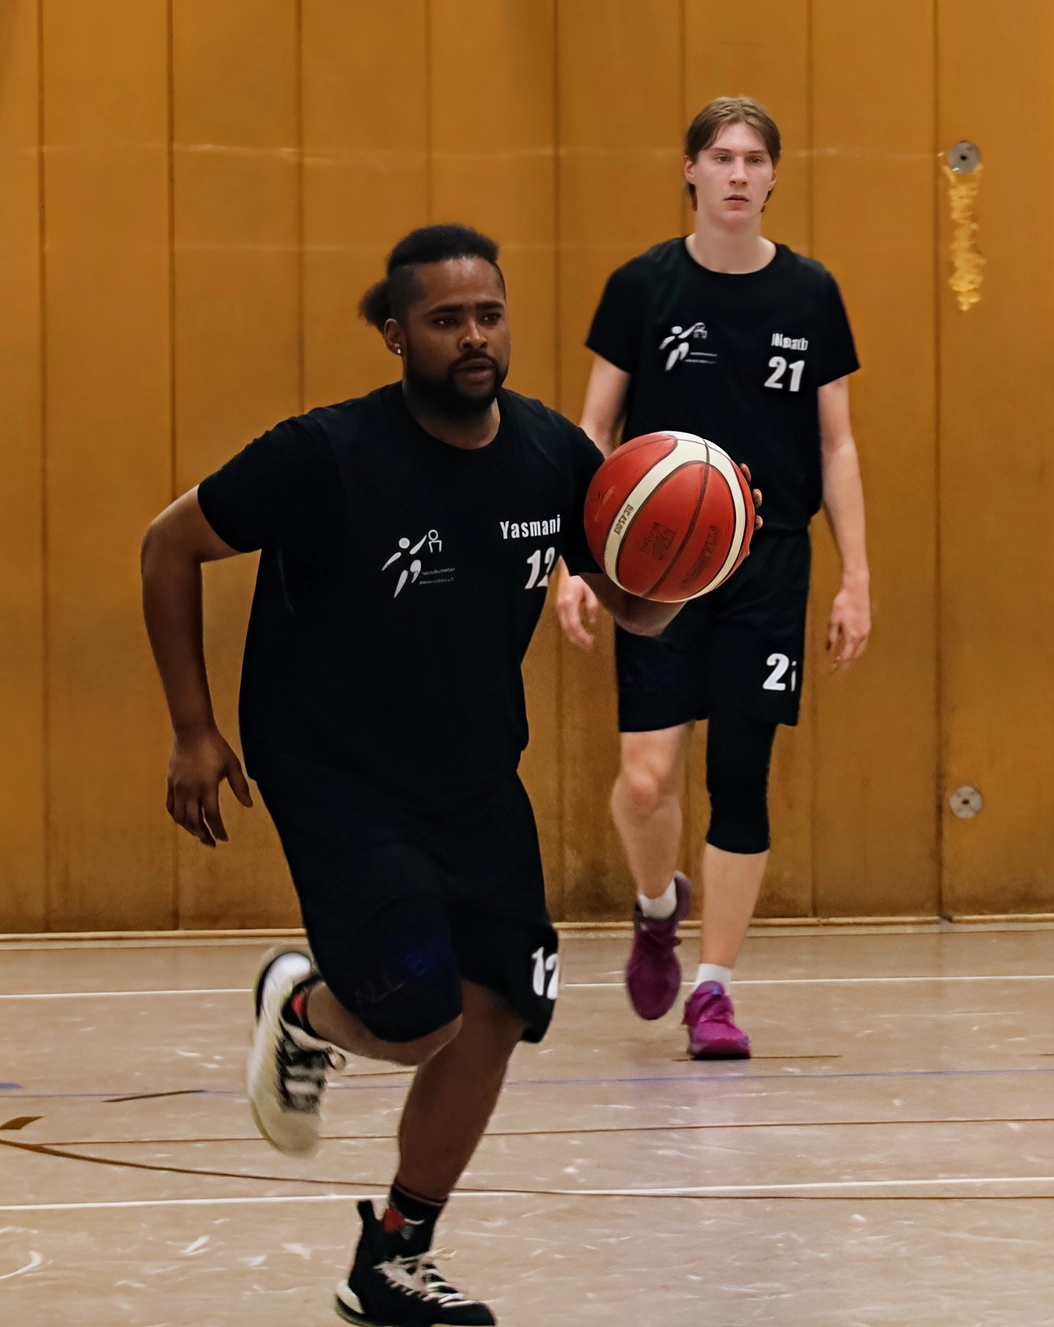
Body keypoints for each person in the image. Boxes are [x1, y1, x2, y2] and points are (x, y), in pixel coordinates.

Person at [140, 225, 697, 1326]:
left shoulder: (552, 455)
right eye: (446, 320)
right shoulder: (324, 457)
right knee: (416, 1014)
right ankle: (305, 1004)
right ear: (397, 335)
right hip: (335, 771)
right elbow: (168, 546)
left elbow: (635, 604)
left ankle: (393, 1253)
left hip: (477, 773)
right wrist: (193, 730)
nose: (475, 335)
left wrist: (699, 554)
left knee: (497, 1009)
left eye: (489, 312)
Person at [552, 96, 871, 1059]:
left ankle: (715, 990)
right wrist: (573, 560)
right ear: (689, 171)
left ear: (775, 177)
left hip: (768, 557)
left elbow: (838, 442)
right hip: (656, 567)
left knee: (741, 774)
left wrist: (856, 574)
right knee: (645, 782)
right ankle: (657, 907)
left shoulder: (812, 294)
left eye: (754, 159)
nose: (738, 173)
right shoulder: (641, 287)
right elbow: (590, 431)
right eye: (720, 157)